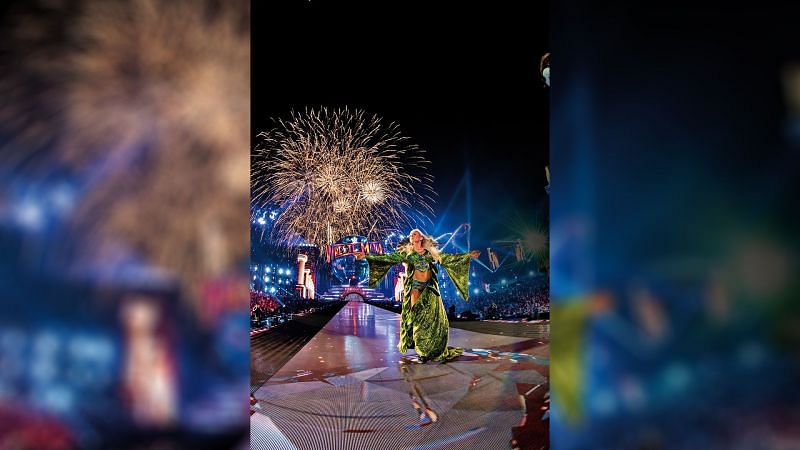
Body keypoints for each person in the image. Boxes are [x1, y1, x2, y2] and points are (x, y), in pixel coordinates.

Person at [355, 229, 480, 362]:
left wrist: (468, 256)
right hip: (415, 288)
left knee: (433, 319)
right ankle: (422, 352)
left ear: (420, 238)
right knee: (418, 319)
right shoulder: (408, 255)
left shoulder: (430, 254)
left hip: (430, 288)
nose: (412, 235)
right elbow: (388, 258)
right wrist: (366, 256)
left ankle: (434, 348)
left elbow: (448, 258)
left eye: (415, 233)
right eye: (411, 234)